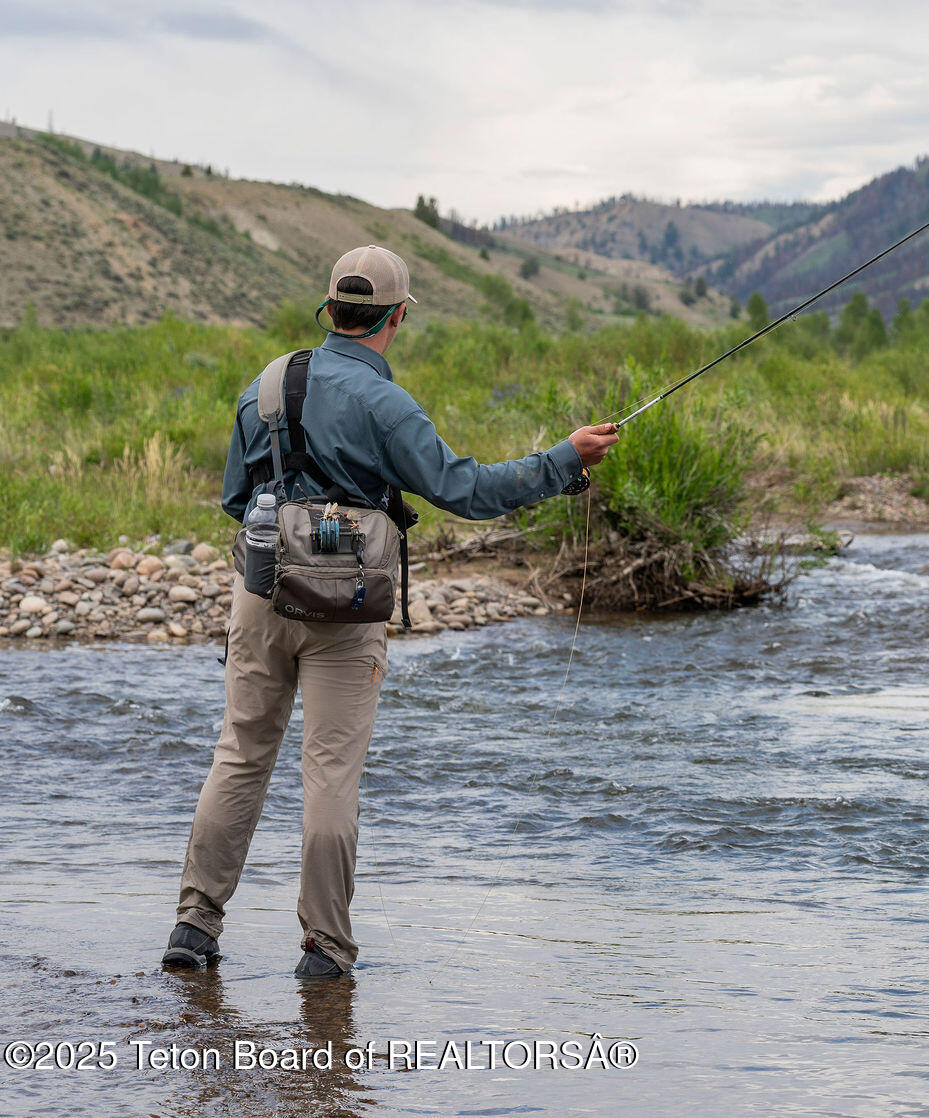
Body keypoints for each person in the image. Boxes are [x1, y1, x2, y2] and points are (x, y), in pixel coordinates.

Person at [161, 245, 620, 979]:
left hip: (260, 594)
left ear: (330, 310)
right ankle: (324, 950)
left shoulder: (266, 385)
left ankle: (193, 928)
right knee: (331, 774)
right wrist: (562, 460)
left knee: (240, 755)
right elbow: (465, 490)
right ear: (397, 318)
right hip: (346, 608)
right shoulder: (386, 403)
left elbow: (233, 500)